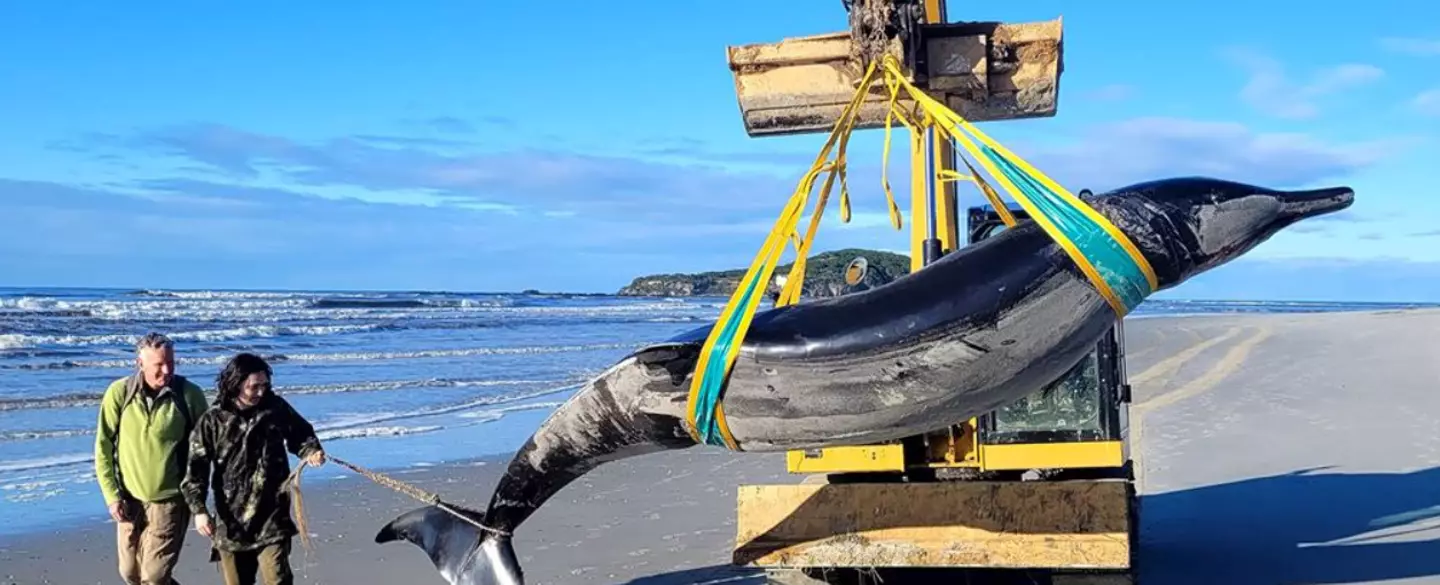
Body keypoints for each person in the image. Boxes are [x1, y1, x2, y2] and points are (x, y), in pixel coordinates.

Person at [182, 352, 326, 585]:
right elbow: (195, 470)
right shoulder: (213, 420)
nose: (261, 392)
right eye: (254, 386)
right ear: (236, 384)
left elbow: (301, 434)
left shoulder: (275, 408)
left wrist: (311, 451)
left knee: (277, 579)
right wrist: (199, 511)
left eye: (265, 385)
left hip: (273, 516)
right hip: (232, 522)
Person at [94, 332, 209, 585]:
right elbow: (102, 446)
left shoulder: (189, 395)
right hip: (128, 499)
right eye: (158, 364)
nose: (166, 370)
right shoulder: (119, 393)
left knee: (154, 577)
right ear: (140, 363)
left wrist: (200, 504)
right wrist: (111, 495)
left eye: (171, 363)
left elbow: (206, 448)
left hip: (170, 501)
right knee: (130, 574)